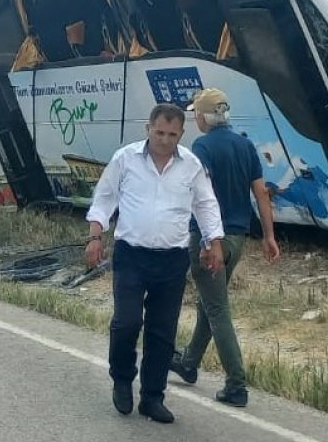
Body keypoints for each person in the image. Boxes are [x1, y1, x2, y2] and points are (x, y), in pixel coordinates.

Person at [85, 103, 225, 424]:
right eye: (159, 132)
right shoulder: (125, 159)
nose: (164, 140)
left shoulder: (191, 165)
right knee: (127, 322)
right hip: (131, 255)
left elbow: (206, 205)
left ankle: (152, 397)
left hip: (172, 260)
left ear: (181, 134)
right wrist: (95, 236)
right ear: (147, 128)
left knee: (162, 332)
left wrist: (213, 243)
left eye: (172, 134)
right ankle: (122, 378)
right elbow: (105, 197)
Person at [170, 88, 278, 408]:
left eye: (195, 114)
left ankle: (236, 385)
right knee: (210, 301)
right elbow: (261, 194)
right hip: (238, 239)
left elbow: (195, 195)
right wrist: (269, 235)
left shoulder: (202, 147)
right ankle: (189, 362)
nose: (194, 119)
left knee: (218, 309)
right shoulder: (245, 145)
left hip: (208, 239)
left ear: (203, 117)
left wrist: (201, 238)